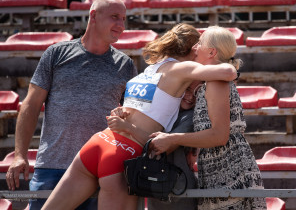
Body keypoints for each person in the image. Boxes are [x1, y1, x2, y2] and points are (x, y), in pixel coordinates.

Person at [42, 23, 237, 210]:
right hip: (124, 153)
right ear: (191, 51)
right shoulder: (181, 69)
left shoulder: (148, 71)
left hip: (98, 142)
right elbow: (228, 72)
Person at [6, 0, 138, 210]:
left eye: (123, 19)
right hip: (52, 166)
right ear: (93, 16)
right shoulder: (56, 54)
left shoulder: (126, 65)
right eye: (115, 17)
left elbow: (130, 117)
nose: (121, 25)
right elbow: (30, 105)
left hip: (99, 169)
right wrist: (20, 155)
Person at [149, 26, 267, 209]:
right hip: (219, 169)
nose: (195, 47)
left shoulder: (216, 82)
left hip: (229, 172)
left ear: (212, 52)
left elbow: (219, 135)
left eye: (200, 43)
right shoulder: (210, 82)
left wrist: (172, 139)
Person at [147, 80, 201, 210]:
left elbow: (162, 147)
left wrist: (128, 127)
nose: (190, 97)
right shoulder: (159, 109)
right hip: (155, 184)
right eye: (187, 89)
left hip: (180, 187)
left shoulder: (191, 116)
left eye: (196, 93)